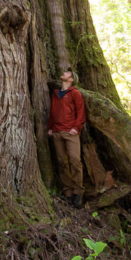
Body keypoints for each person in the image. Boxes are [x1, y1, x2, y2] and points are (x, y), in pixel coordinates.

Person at [48, 68, 86, 208]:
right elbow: (52, 111)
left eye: (67, 74)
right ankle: (68, 192)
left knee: (75, 160)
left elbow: (81, 112)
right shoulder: (56, 94)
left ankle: (78, 191)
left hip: (71, 132)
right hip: (57, 132)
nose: (63, 73)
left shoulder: (75, 93)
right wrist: (50, 127)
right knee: (62, 162)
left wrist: (76, 128)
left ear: (71, 80)